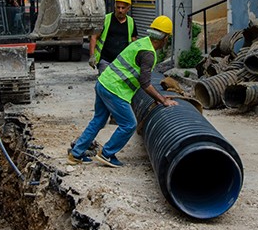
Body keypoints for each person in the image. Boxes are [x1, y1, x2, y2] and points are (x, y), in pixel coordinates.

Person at [69, 15, 179, 168]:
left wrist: (158, 96)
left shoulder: (141, 43)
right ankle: (107, 154)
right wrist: (163, 100)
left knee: (99, 120)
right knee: (129, 124)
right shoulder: (148, 53)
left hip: (103, 83)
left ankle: (76, 154)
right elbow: (146, 83)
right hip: (114, 89)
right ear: (165, 38)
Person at [89, 0, 138, 75]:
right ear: (114, 6)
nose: (120, 10)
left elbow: (134, 42)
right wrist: (92, 56)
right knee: (105, 83)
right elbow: (94, 37)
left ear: (128, 9)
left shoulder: (131, 22)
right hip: (105, 60)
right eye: (118, 7)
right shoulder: (106, 19)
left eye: (123, 8)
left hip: (122, 63)